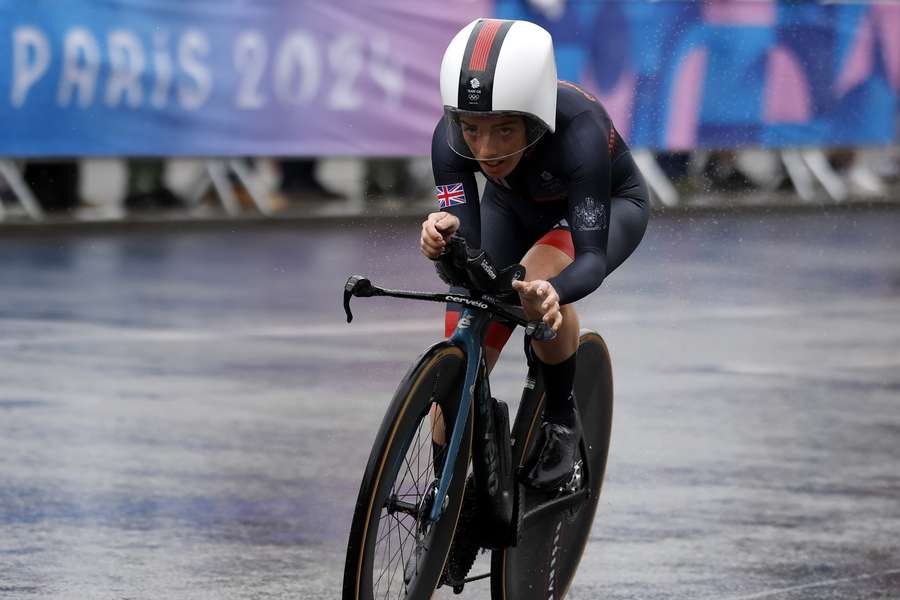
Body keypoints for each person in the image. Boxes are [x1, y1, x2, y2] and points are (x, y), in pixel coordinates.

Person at [420, 18, 650, 490]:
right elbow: (471, 263)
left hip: (603, 207)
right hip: (513, 205)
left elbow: (590, 260)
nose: (485, 148)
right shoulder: (448, 139)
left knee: (536, 279)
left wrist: (552, 293)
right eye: (472, 130)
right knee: (460, 352)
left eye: (505, 130)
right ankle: (446, 507)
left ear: (536, 116)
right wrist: (443, 243)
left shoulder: (581, 129)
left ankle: (563, 422)